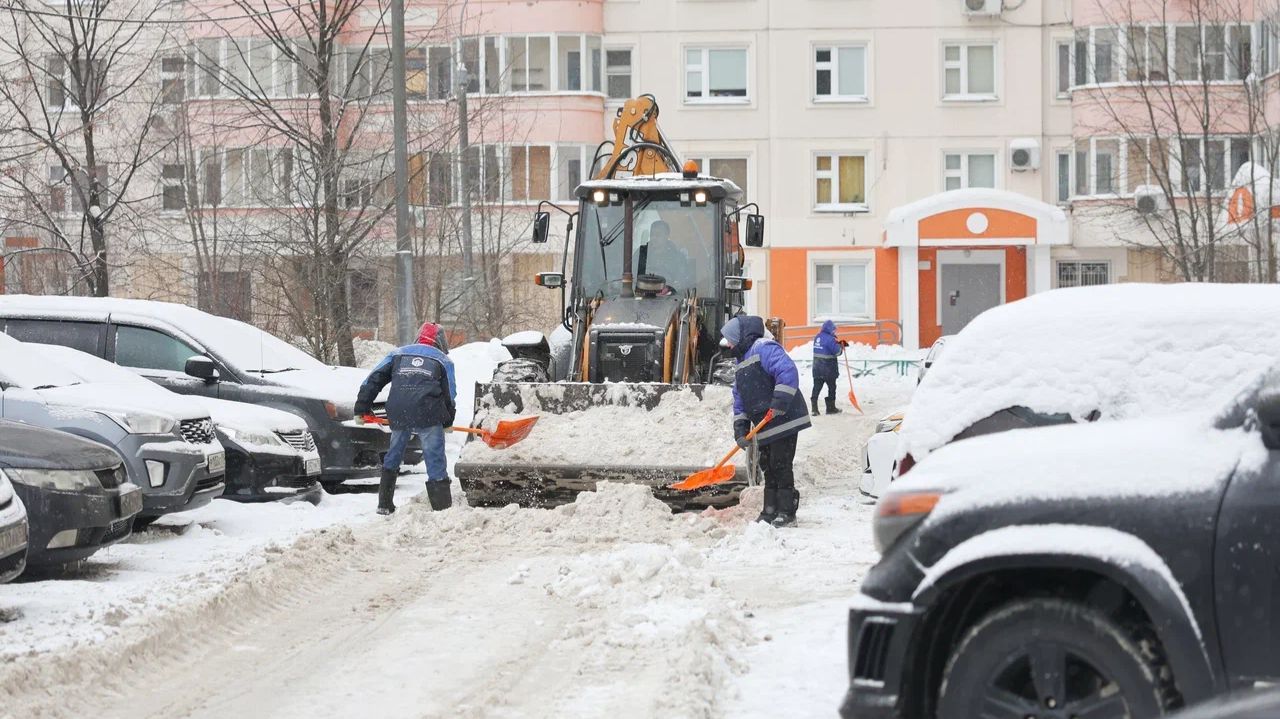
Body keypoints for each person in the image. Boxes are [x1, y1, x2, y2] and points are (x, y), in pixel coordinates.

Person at [355, 322, 456, 515]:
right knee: (434, 456)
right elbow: (450, 393)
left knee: (394, 452)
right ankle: (442, 508)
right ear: (440, 341)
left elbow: (373, 380)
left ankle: (384, 504)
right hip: (429, 412)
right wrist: (448, 420)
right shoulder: (443, 360)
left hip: (399, 410)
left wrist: (361, 408)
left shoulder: (397, 354)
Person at [721, 315, 811, 527]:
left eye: (730, 339)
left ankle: (787, 512)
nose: (728, 345)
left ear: (740, 337)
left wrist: (779, 402)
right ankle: (770, 510)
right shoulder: (740, 364)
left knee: (781, 464)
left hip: (783, 417)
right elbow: (740, 401)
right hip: (766, 424)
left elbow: (786, 371)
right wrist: (740, 431)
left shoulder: (764, 348)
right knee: (768, 467)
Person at [637, 220, 693, 289]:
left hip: (669, 297)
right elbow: (632, 276)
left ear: (666, 236)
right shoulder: (641, 253)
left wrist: (670, 288)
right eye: (652, 235)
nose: (654, 238)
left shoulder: (678, 258)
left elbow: (682, 283)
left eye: (658, 235)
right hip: (643, 295)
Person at [810, 320, 849, 416]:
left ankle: (814, 409)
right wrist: (841, 346)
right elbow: (837, 352)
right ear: (829, 329)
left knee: (816, 387)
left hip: (817, 368)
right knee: (832, 387)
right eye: (833, 330)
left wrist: (837, 342)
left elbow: (824, 348)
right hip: (828, 369)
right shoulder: (830, 339)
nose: (834, 332)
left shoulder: (817, 337)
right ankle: (830, 408)